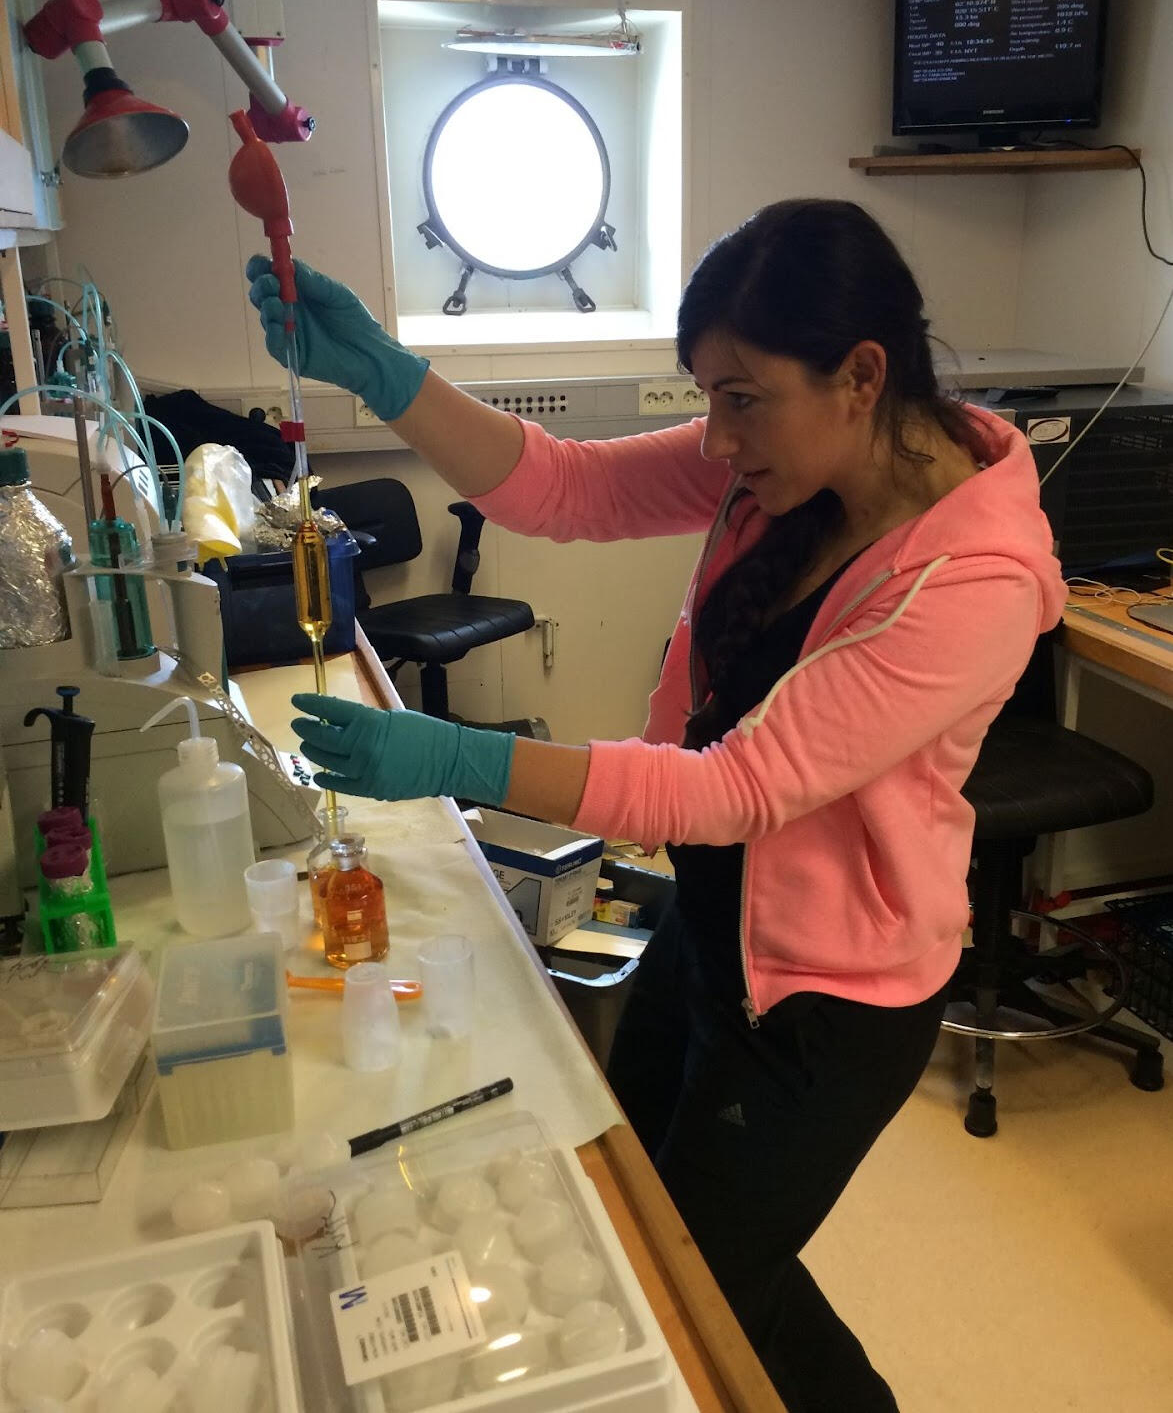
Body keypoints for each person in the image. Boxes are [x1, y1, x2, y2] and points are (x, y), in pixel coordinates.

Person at [247, 198, 1066, 1411]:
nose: (717, 435)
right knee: (668, 1233)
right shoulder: (791, 456)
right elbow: (565, 489)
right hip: (718, 931)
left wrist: (463, 761)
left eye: (741, 397)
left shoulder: (973, 580)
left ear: (861, 375)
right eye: (709, 396)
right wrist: (389, 376)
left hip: (831, 1001)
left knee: (700, 1283)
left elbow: (736, 785)